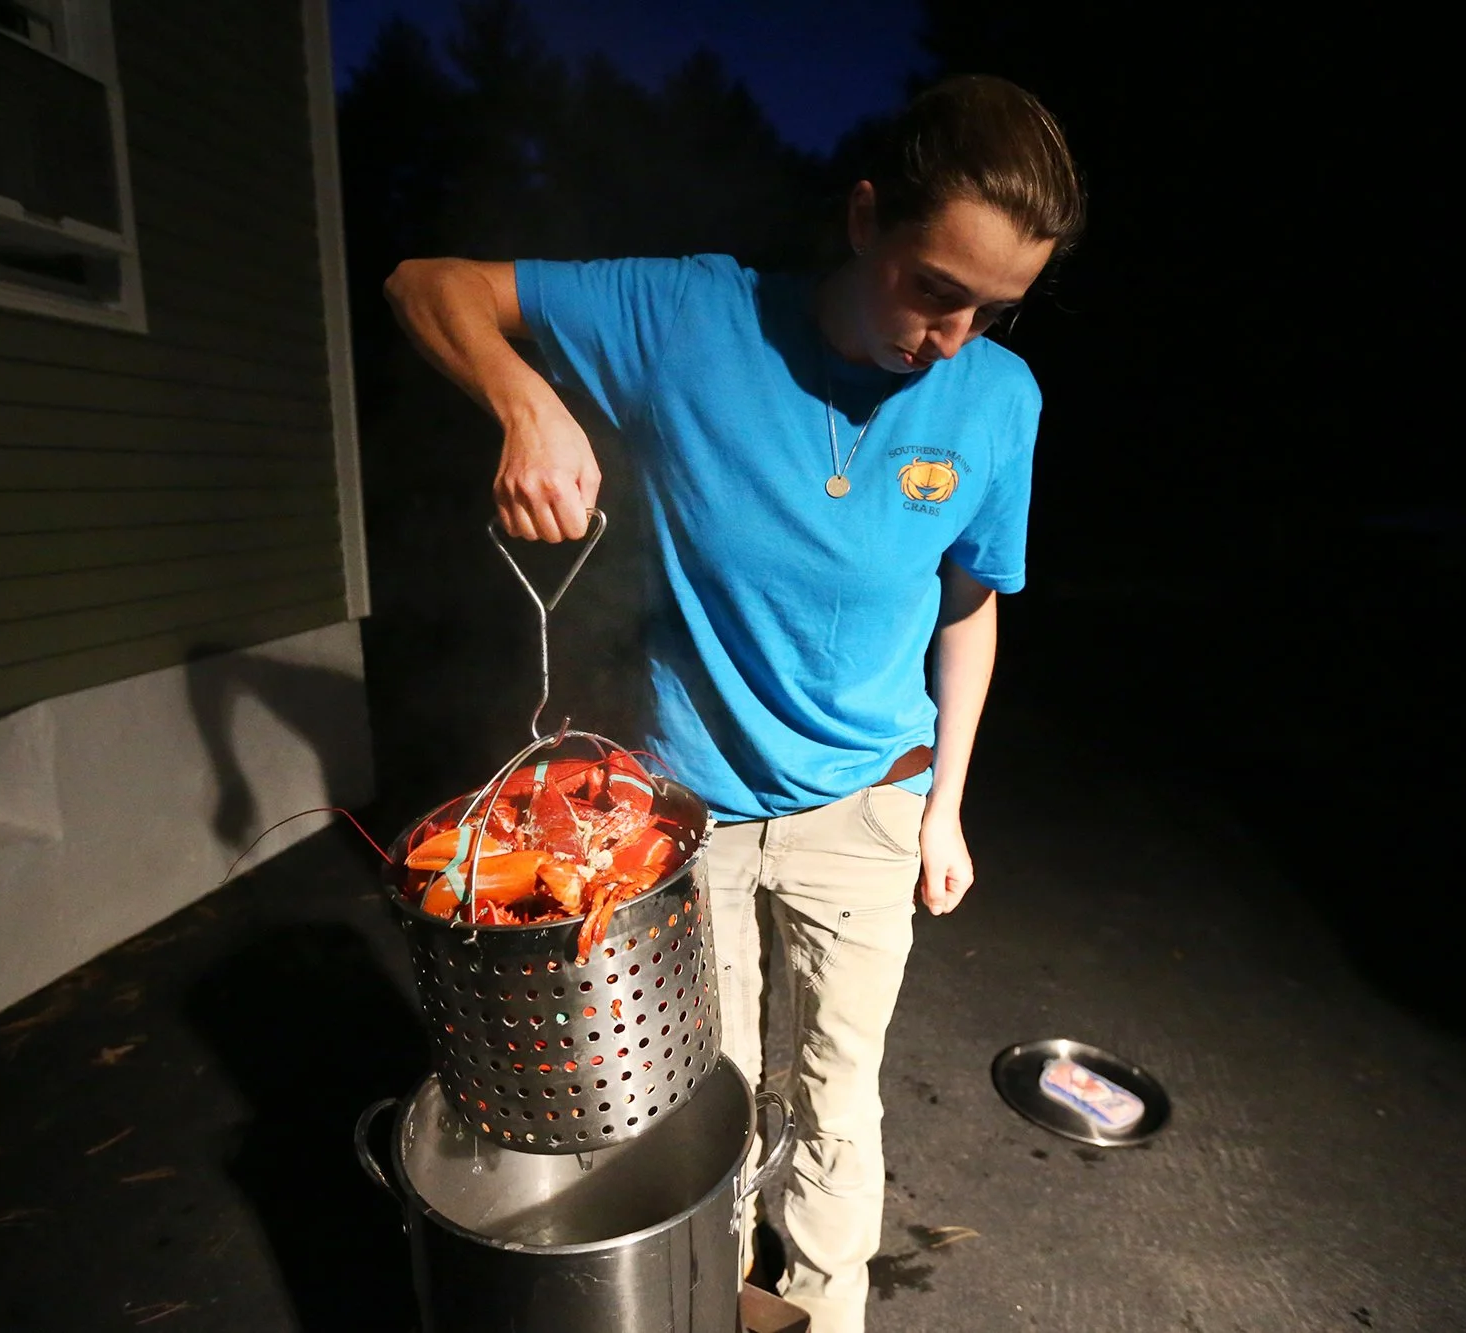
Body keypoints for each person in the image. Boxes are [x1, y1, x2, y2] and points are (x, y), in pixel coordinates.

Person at [384, 73, 1083, 1333]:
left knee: (836, 1099)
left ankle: (824, 1314)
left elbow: (969, 609)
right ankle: (706, 1305)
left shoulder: (997, 402)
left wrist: (946, 809)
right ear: (863, 218)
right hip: (681, 818)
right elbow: (425, 283)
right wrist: (526, 402)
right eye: (933, 287)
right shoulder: (690, 316)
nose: (950, 337)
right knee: (700, 1099)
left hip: (871, 804)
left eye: (993, 308)